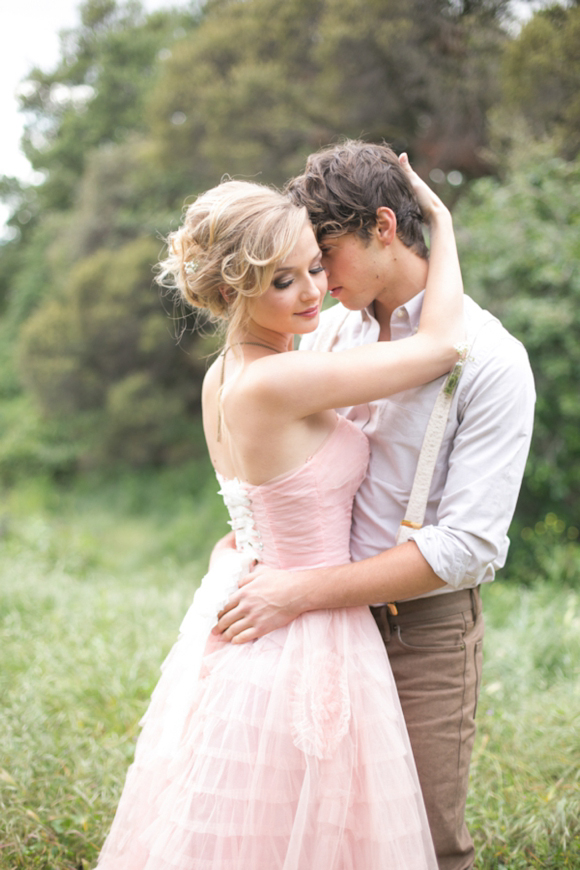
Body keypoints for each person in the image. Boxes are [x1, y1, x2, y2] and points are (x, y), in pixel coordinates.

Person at [95, 155, 464, 870]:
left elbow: (258, 507)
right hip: (306, 632)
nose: (314, 294)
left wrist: (237, 554)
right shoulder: (279, 381)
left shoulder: (223, 376)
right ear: (236, 288)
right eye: (283, 281)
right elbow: (442, 348)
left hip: (257, 605)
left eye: (314, 268)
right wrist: (441, 225)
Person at [213, 141, 536, 870]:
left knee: (418, 837)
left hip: (418, 631)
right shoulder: (327, 331)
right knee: (313, 832)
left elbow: (467, 549)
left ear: (383, 227)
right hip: (314, 633)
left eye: (325, 257)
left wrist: (299, 591)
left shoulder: (490, 358)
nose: (317, 284)